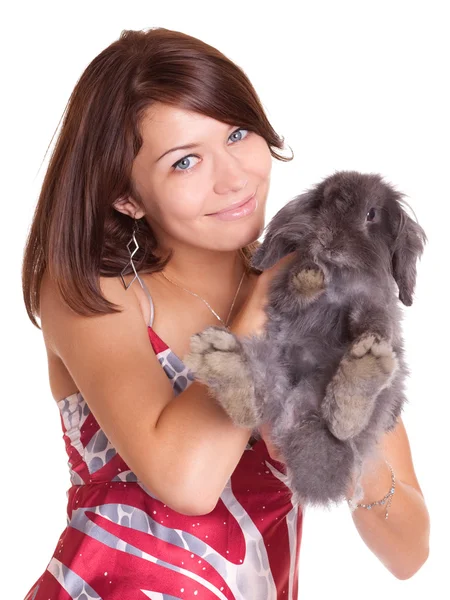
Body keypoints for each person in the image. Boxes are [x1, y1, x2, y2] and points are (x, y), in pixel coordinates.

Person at [22, 27, 430, 600]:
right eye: (185, 161)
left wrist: (343, 446)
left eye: (238, 133)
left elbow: (411, 551)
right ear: (128, 197)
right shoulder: (92, 294)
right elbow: (186, 483)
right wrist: (268, 296)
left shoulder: (327, 299)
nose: (234, 177)